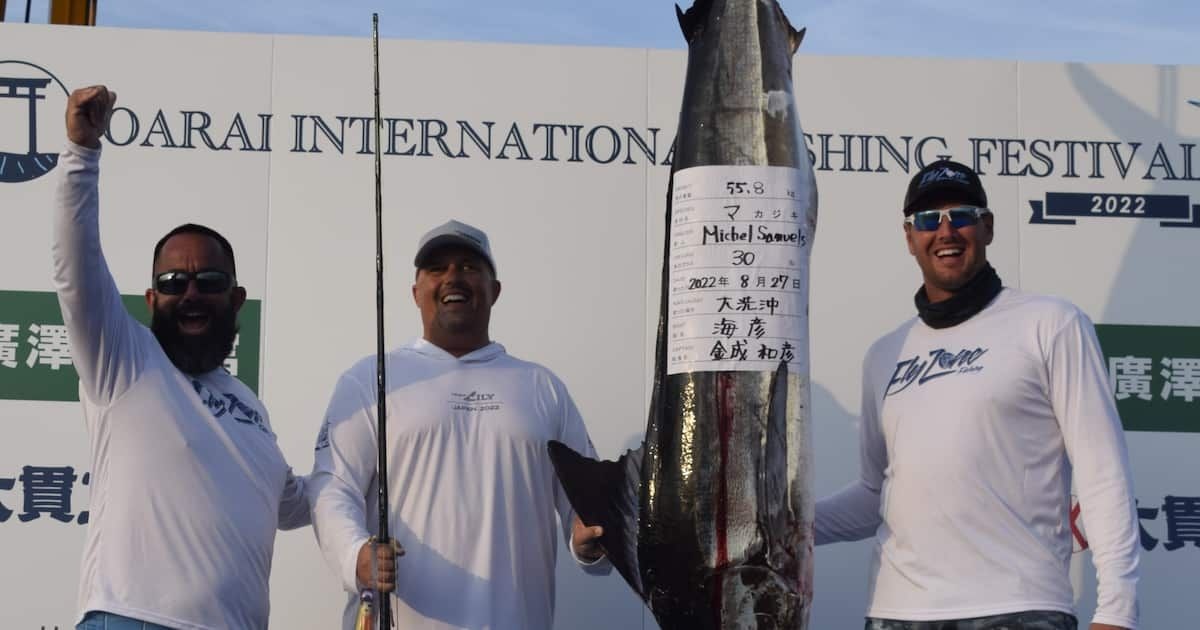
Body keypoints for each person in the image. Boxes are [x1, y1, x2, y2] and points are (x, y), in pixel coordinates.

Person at [814, 160, 1140, 630]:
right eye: (929, 219)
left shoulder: (1050, 323)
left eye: (962, 216)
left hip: (1019, 607)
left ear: (987, 227)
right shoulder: (885, 354)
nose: (945, 231)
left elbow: (1102, 472)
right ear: (910, 237)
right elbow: (874, 494)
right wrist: (778, 528)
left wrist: (1117, 611)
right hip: (895, 613)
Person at [54, 86, 310, 630]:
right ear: (152, 300)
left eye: (209, 281)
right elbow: (77, 270)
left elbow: (293, 504)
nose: (191, 293)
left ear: (236, 299)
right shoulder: (123, 361)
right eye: (173, 282)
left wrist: (376, 471)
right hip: (131, 619)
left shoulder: (249, 406)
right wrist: (82, 153)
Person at [309, 219, 610, 629]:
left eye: (469, 266)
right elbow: (332, 488)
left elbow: (585, 508)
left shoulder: (544, 388)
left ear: (495, 290)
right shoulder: (367, 380)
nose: (453, 277)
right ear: (415, 292)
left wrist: (589, 542)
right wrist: (355, 555)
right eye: (437, 268)